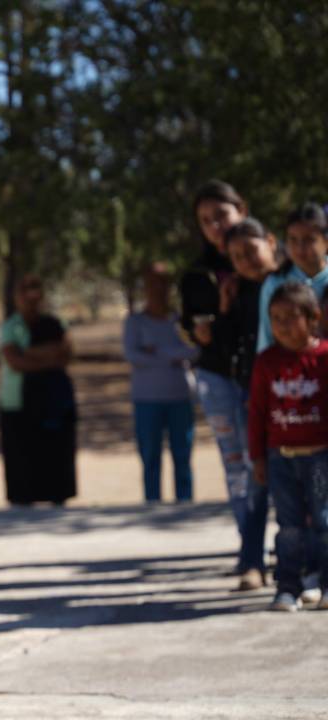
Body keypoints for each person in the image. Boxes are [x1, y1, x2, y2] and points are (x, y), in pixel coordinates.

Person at [181, 181, 267, 580]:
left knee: (267, 466)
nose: (215, 225)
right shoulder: (198, 273)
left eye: (222, 215)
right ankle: (250, 551)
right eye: (206, 221)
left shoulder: (263, 262)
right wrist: (213, 316)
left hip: (263, 380)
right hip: (217, 377)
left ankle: (296, 547)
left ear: (241, 209)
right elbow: (194, 326)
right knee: (235, 466)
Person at [248, 282, 328, 612]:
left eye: (289, 317)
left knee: (325, 521)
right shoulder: (266, 362)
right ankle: (288, 586)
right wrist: (257, 457)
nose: (281, 325)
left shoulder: (324, 357)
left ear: (313, 318)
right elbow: (257, 412)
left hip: (321, 458)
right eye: (275, 318)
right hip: (280, 459)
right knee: (289, 525)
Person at [219, 218, 281, 589]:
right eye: (237, 256)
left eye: (251, 250)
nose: (246, 261)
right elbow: (227, 348)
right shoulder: (239, 292)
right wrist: (224, 311)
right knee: (256, 477)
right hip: (253, 395)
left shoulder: (291, 284)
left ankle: (305, 562)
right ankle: (252, 560)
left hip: (296, 392)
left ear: (270, 242)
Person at [0, 275, 77, 506]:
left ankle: (56, 495)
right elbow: (15, 360)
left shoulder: (54, 323)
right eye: (24, 290)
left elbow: (66, 353)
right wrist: (47, 359)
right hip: (18, 401)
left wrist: (33, 354)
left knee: (55, 451)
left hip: (52, 400)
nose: (30, 295)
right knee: (21, 456)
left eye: (35, 289)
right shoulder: (12, 326)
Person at [123, 263, 198, 503]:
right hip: (146, 399)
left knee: (183, 456)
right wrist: (174, 355)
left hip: (179, 397)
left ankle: (185, 505)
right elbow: (132, 355)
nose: (158, 289)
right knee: (150, 457)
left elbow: (194, 351)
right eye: (153, 283)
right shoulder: (135, 322)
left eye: (163, 283)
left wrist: (156, 352)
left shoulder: (180, 321)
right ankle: (152, 504)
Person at [256, 203, 328, 352]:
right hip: (290, 370)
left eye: (309, 240)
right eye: (293, 240)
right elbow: (267, 336)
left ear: (325, 241)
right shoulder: (275, 283)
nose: (300, 248)